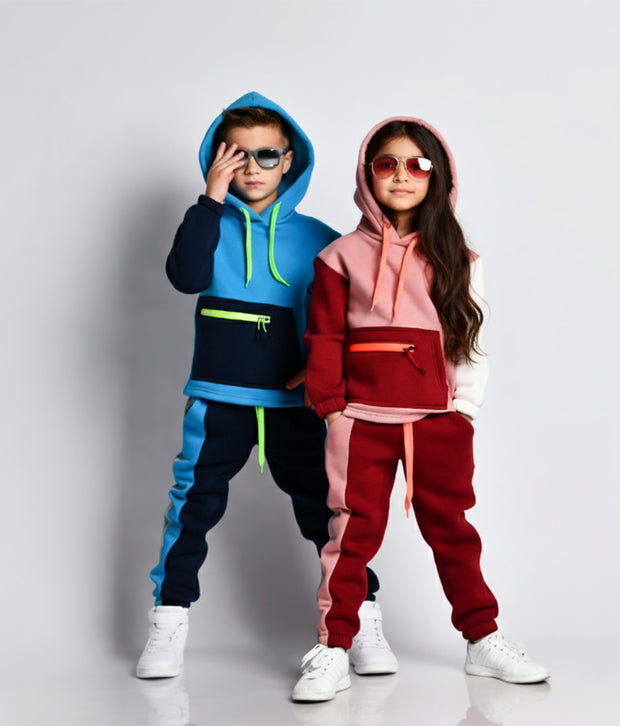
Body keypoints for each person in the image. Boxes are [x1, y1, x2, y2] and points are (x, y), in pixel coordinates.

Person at [136, 93, 395, 679]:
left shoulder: (321, 239)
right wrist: (210, 198)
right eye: (237, 155)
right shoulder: (206, 225)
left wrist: (325, 367)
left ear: (290, 160)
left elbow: (358, 317)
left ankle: (361, 619)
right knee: (191, 509)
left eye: (267, 155)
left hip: (298, 404)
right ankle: (168, 620)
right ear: (217, 160)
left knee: (329, 512)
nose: (252, 168)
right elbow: (185, 278)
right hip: (219, 398)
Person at [291, 116, 550, 702]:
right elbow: (324, 337)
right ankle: (333, 648)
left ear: (439, 176)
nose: (402, 175)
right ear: (368, 174)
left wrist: (464, 411)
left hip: (437, 420)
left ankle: (483, 639)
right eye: (387, 164)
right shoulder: (338, 257)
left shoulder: (459, 256)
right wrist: (333, 409)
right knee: (351, 537)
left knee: (453, 531)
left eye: (418, 164)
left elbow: (469, 341)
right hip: (361, 420)